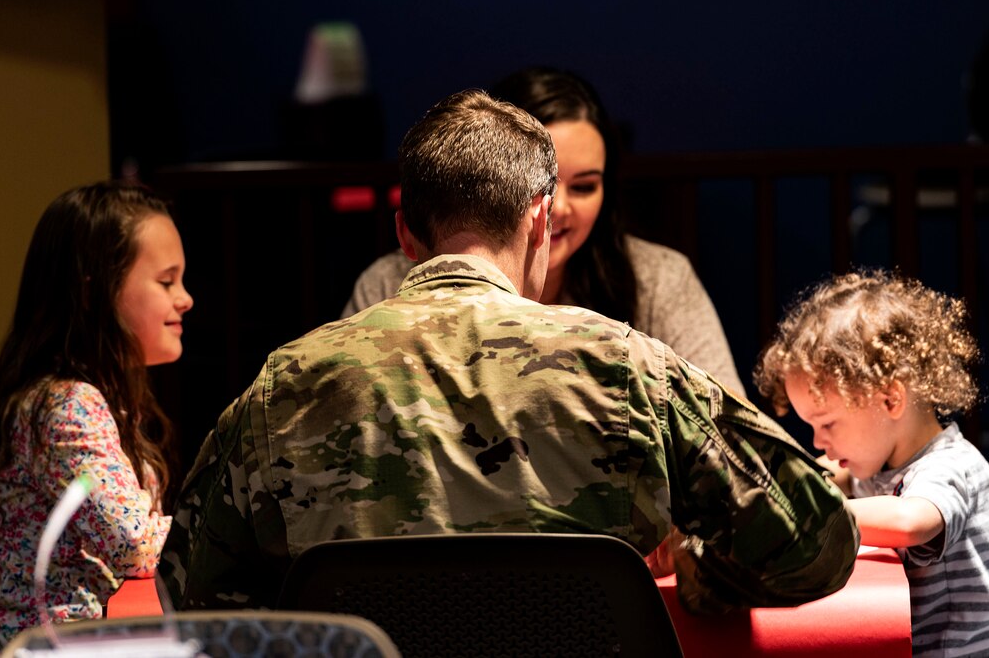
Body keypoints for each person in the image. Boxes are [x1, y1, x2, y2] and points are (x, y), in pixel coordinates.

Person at [161, 89, 857, 614]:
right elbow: (817, 541)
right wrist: (701, 578)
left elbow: (187, 591)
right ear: (541, 218)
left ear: (406, 233)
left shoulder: (288, 382)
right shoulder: (628, 367)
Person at [341, 66, 745, 395]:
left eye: (585, 186)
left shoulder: (657, 278)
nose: (558, 210)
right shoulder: (389, 285)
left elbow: (724, 423)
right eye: (544, 189)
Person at [0, 181, 194, 652]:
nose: (185, 298)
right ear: (93, 293)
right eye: (166, 281)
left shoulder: (90, 397)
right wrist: (217, 525)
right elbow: (136, 544)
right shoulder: (66, 405)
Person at [755, 270, 989, 657]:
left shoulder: (951, 466)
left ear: (890, 401)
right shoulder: (876, 464)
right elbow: (828, 473)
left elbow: (910, 522)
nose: (819, 440)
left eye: (828, 423)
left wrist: (807, 511)